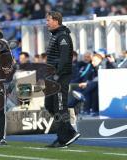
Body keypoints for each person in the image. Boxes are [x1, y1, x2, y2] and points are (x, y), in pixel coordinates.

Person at [44, 11, 80, 148]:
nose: (46, 23)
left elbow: (65, 59)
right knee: (50, 106)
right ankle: (69, 133)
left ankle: (63, 138)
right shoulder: (55, 35)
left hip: (60, 77)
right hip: (51, 77)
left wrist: (57, 76)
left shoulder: (63, 36)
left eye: (48, 20)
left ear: (55, 21)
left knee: (60, 107)